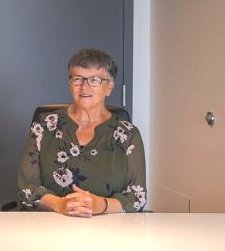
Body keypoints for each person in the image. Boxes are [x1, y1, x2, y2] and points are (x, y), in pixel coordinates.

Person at [17, 48, 147, 216]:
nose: (85, 86)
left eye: (95, 80)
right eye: (78, 79)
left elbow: (137, 197)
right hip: (50, 225)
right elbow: (27, 188)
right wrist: (60, 204)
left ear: (109, 87)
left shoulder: (128, 134)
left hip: (111, 230)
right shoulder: (43, 126)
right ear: (70, 84)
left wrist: (101, 205)